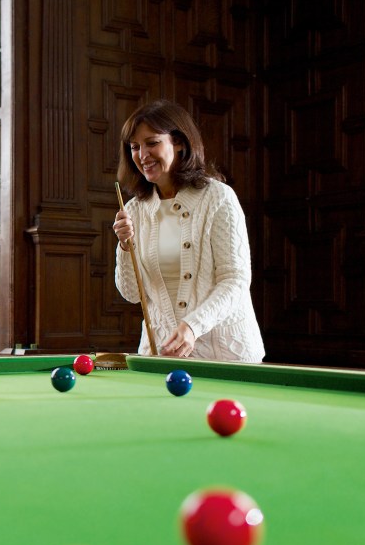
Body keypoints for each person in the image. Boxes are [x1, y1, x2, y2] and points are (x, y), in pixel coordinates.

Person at [112, 100, 265, 362]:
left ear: (179, 142)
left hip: (224, 356)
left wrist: (192, 326)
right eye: (135, 147)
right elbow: (131, 293)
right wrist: (125, 246)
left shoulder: (218, 197)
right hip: (161, 357)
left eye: (152, 143)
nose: (142, 155)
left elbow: (235, 281)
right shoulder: (135, 210)